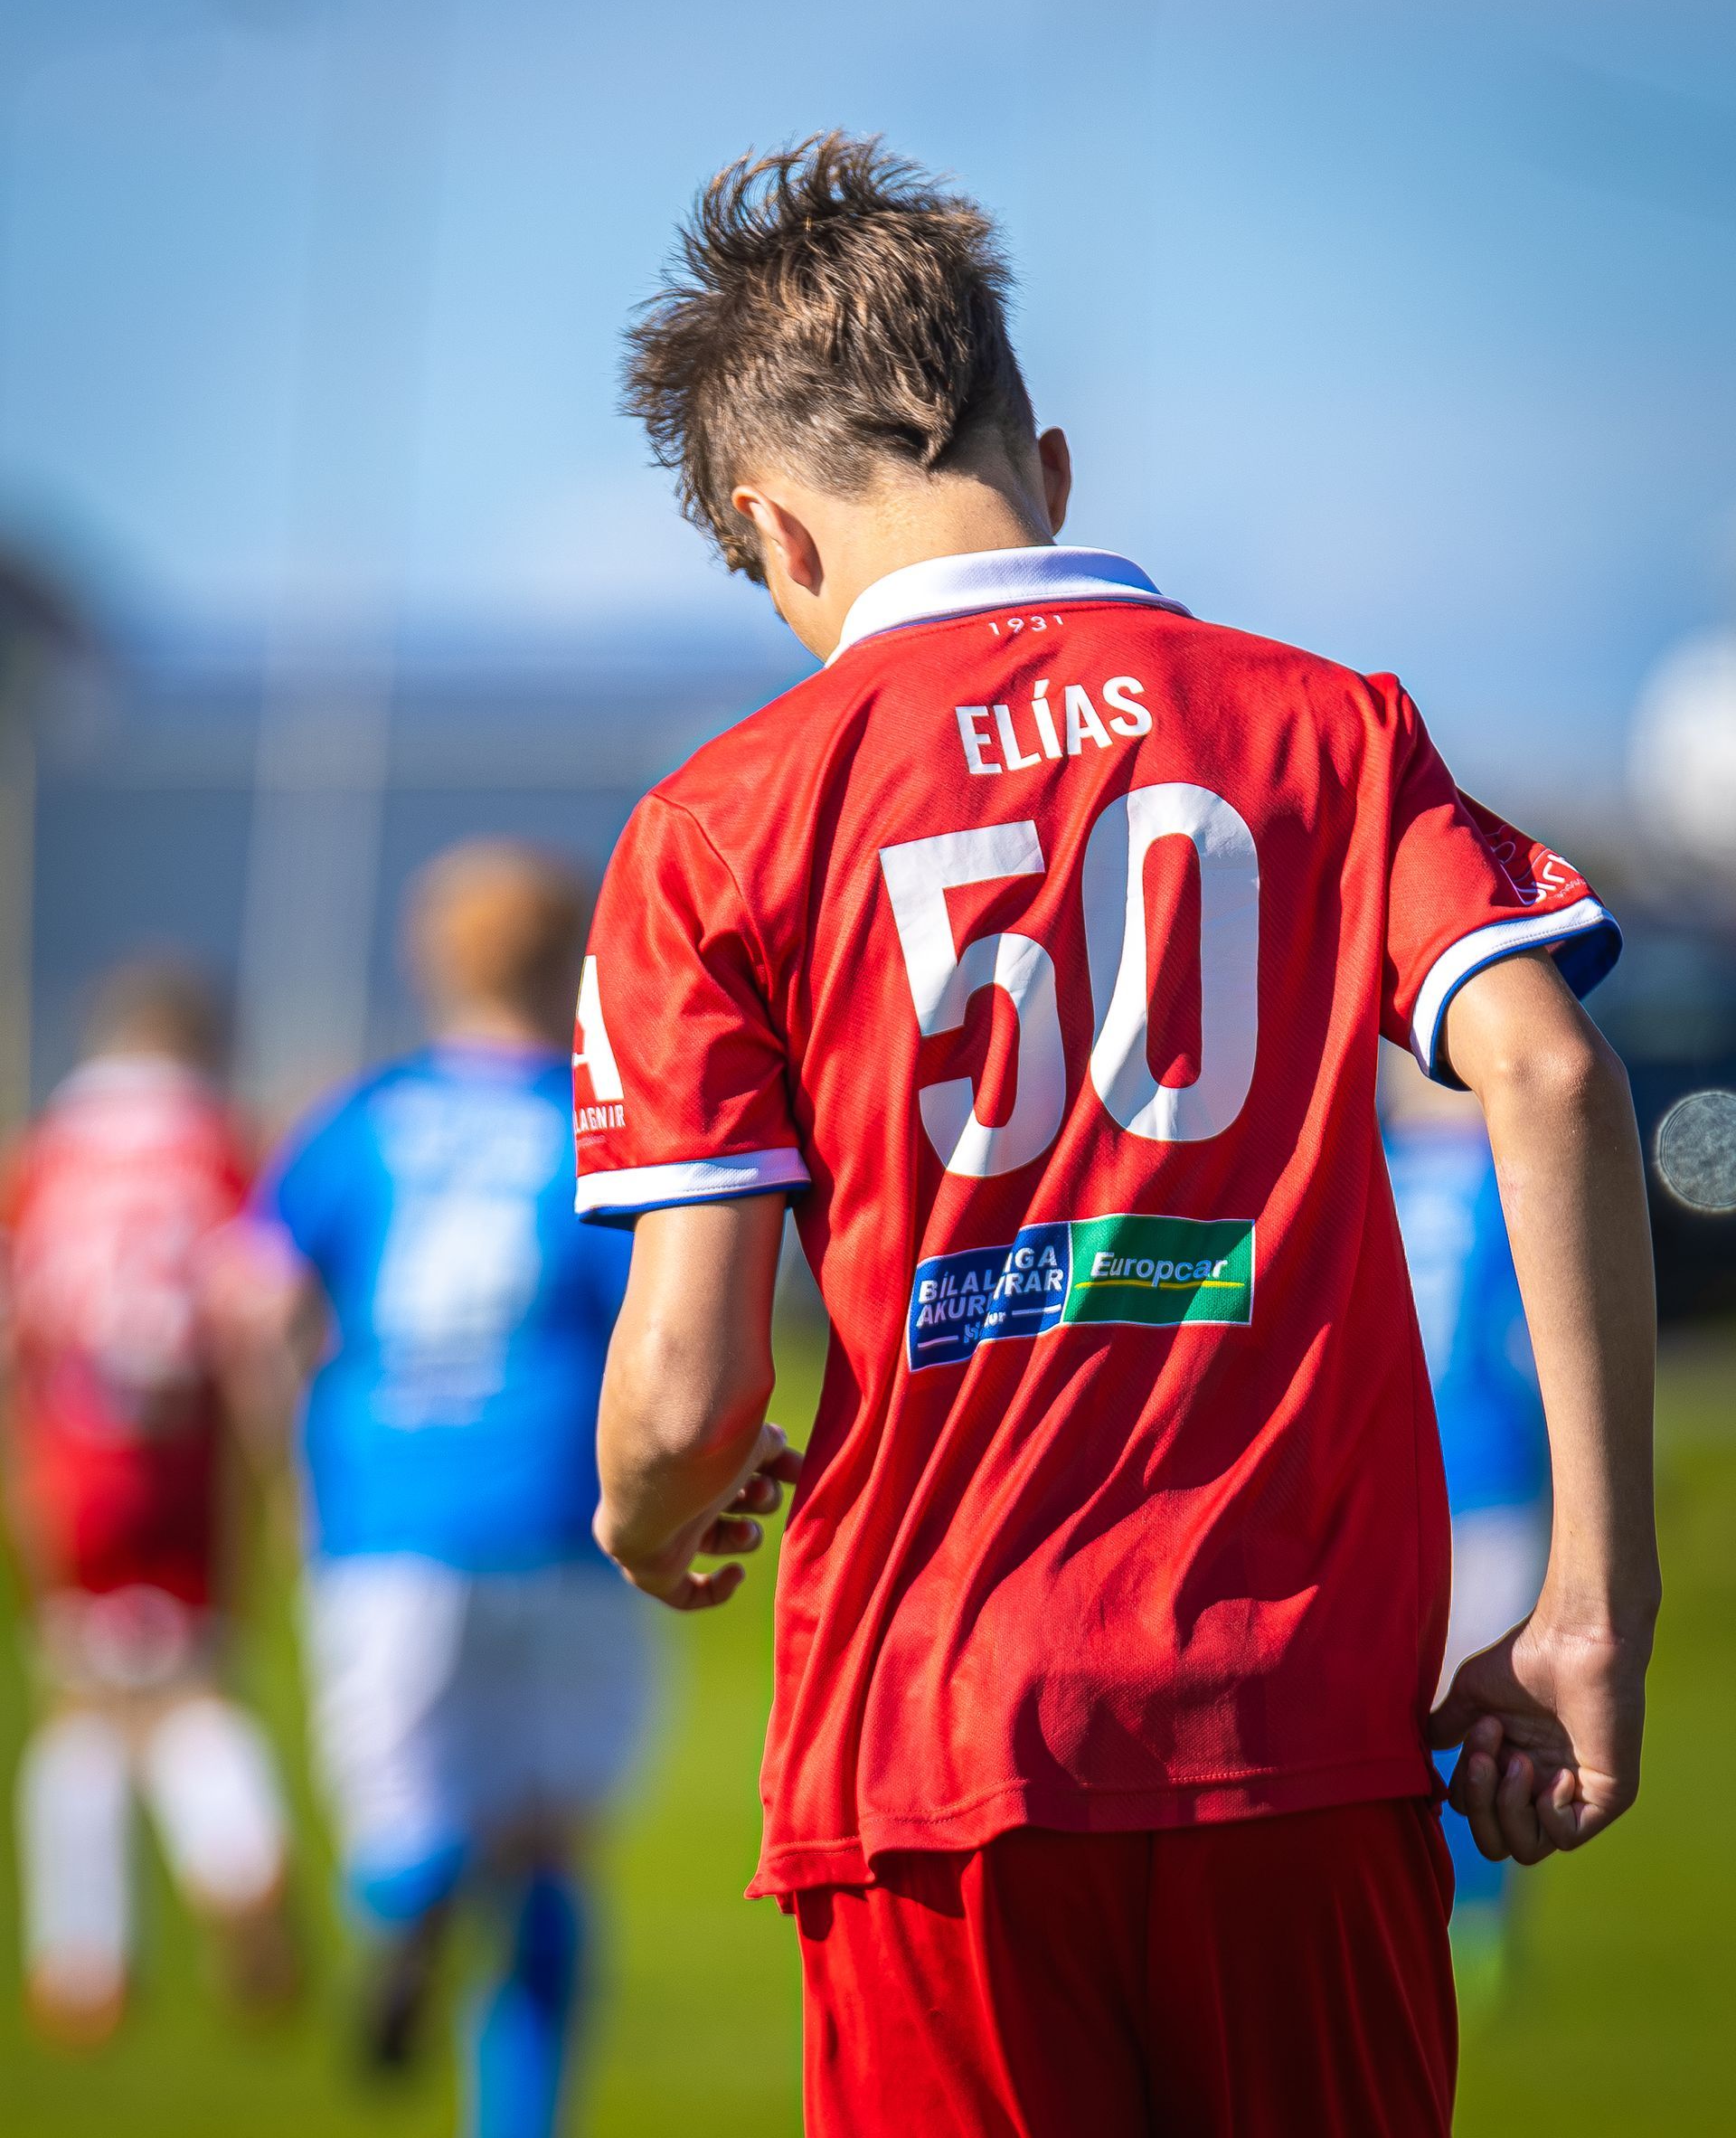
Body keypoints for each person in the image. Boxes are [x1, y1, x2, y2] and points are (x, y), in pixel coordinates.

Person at [572, 135, 1660, 2137]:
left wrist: (649, 1515)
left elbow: (686, 1394)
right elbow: (1555, 1074)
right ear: (1050, 467)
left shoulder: (714, 827)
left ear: (772, 536)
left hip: (934, 1753)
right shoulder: (1329, 724)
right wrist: (1595, 1606)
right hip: (1301, 1732)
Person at [219, 840, 646, 2138]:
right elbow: (653, 1318)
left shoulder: (357, 1119)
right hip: (559, 1506)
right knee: (552, 1845)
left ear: (428, 961)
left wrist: (287, 1466)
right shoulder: (596, 1120)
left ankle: (418, 1889)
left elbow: (254, 1305)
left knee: (403, 1814)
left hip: (386, 1503)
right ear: (578, 959)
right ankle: (516, 2121)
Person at [0, 961, 295, 2046]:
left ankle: (81, 1961)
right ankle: (237, 1850)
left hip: (69, 1446)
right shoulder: (218, 1152)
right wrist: (276, 1471)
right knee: (187, 1681)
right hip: (179, 1449)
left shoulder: (43, 1159)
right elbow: (258, 1318)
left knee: (83, 1695)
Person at [1382, 1051, 1552, 2013]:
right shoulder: (1513, 1172)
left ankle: (1444, 1925)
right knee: (1483, 1723)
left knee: (1422, 1720)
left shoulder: (1369, 1166)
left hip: (1407, 1482)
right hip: (1483, 1479)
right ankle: (1468, 1924)